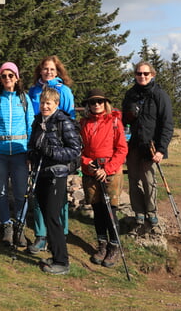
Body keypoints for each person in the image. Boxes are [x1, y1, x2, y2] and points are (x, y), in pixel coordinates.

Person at [28, 87, 82, 275]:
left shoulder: (63, 121)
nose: (44, 106)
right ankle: (55, 254)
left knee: (53, 217)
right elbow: (33, 145)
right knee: (46, 213)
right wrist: (32, 154)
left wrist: (52, 152)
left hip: (56, 175)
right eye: (42, 102)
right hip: (41, 173)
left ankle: (62, 261)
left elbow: (75, 149)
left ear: (56, 104)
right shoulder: (38, 122)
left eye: (48, 103)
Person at [27, 55, 75, 254]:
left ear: (58, 72)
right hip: (38, 147)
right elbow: (33, 116)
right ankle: (41, 234)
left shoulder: (64, 91)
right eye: (45, 69)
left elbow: (69, 120)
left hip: (56, 155)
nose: (48, 72)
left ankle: (59, 235)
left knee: (57, 201)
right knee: (39, 197)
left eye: (52, 69)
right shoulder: (33, 91)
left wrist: (54, 148)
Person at [0, 62, 33, 246]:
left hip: (20, 153)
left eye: (11, 75)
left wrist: (30, 154)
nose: (7, 79)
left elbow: (31, 127)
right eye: (4, 76)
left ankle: (20, 227)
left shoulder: (24, 99)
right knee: (1, 192)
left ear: (17, 78)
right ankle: (6, 226)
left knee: (21, 193)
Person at [122, 61, 173, 236]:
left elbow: (167, 125)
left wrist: (161, 149)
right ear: (135, 75)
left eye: (145, 74)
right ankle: (138, 213)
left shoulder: (159, 95)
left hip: (151, 147)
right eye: (138, 73)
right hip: (132, 145)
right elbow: (124, 121)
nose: (142, 76)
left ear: (152, 75)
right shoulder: (130, 94)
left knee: (149, 181)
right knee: (133, 180)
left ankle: (151, 213)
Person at [80, 89, 128, 267]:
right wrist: (86, 162)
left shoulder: (114, 121)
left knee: (110, 210)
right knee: (97, 209)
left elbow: (122, 149)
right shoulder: (83, 123)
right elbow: (80, 149)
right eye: (92, 102)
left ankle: (114, 246)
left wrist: (107, 169)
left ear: (105, 103)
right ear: (88, 105)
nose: (96, 104)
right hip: (91, 172)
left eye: (100, 101)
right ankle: (102, 245)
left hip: (110, 171)